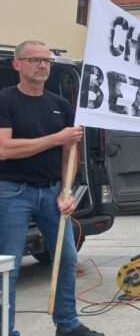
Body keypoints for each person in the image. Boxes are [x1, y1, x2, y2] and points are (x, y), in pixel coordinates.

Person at [0, 40, 103, 336]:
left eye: (46, 61)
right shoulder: (5, 100)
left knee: (67, 259)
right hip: (13, 193)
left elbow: (70, 152)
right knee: (10, 265)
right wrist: (56, 138)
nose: (43, 65)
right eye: (35, 60)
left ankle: (68, 325)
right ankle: (5, 330)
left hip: (52, 193)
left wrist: (66, 190)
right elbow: (4, 149)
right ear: (17, 64)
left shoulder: (59, 105)